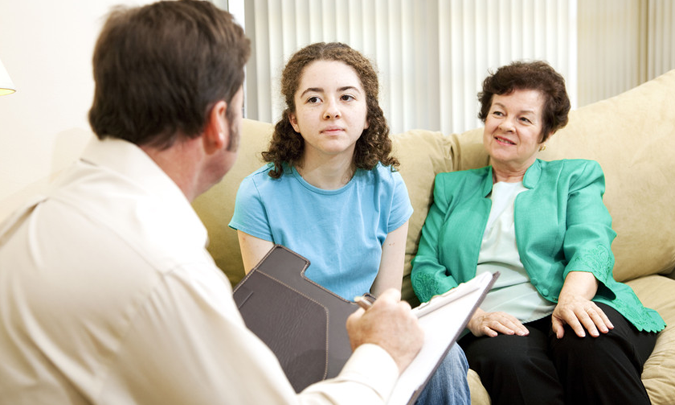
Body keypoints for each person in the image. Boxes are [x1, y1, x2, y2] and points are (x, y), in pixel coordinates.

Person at [0, 2, 425, 404]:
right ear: (218, 122)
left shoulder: (27, 221)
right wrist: (381, 354)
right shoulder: (167, 269)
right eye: (240, 108)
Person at [411, 60, 666, 405]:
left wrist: (572, 300)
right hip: (499, 322)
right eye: (498, 112)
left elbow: (591, 244)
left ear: (545, 134)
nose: (506, 125)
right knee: (509, 361)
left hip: (571, 299)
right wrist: (475, 317)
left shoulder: (574, 177)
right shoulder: (451, 188)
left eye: (524, 119)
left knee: (587, 341)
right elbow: (426, 268)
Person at [229, 41, 470, 405]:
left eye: (346, 97)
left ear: (367, 114)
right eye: (314, 99)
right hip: (296, 347)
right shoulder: (257, 194)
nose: (332, 111)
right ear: (293, 119)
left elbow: (386, 301)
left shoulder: (388, 187)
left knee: (446, 357)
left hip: (367, 339)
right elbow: (273, 316)